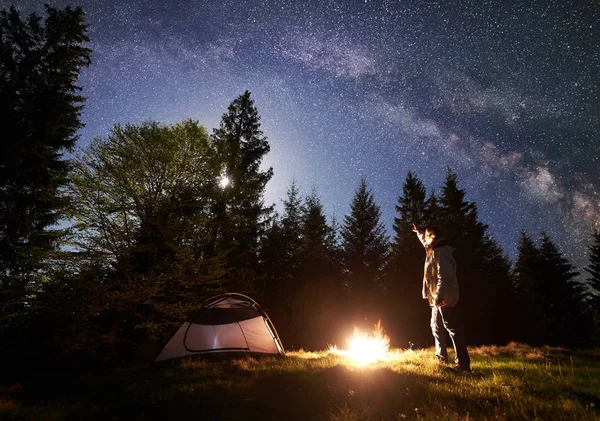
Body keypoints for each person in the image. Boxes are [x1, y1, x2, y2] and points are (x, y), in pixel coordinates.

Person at [412, 223, 471, 372]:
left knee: (452, 328)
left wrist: (439, 296)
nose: (424, 238)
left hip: (444, 297)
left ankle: (463, 365)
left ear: (432, 236)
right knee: (436, 327)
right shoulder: (432, 249)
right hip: (436, 298)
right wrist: (419, 232)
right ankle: (441, 359)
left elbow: (445, 277)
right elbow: (424, 241)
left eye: (426, 235)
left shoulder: (441, 252)